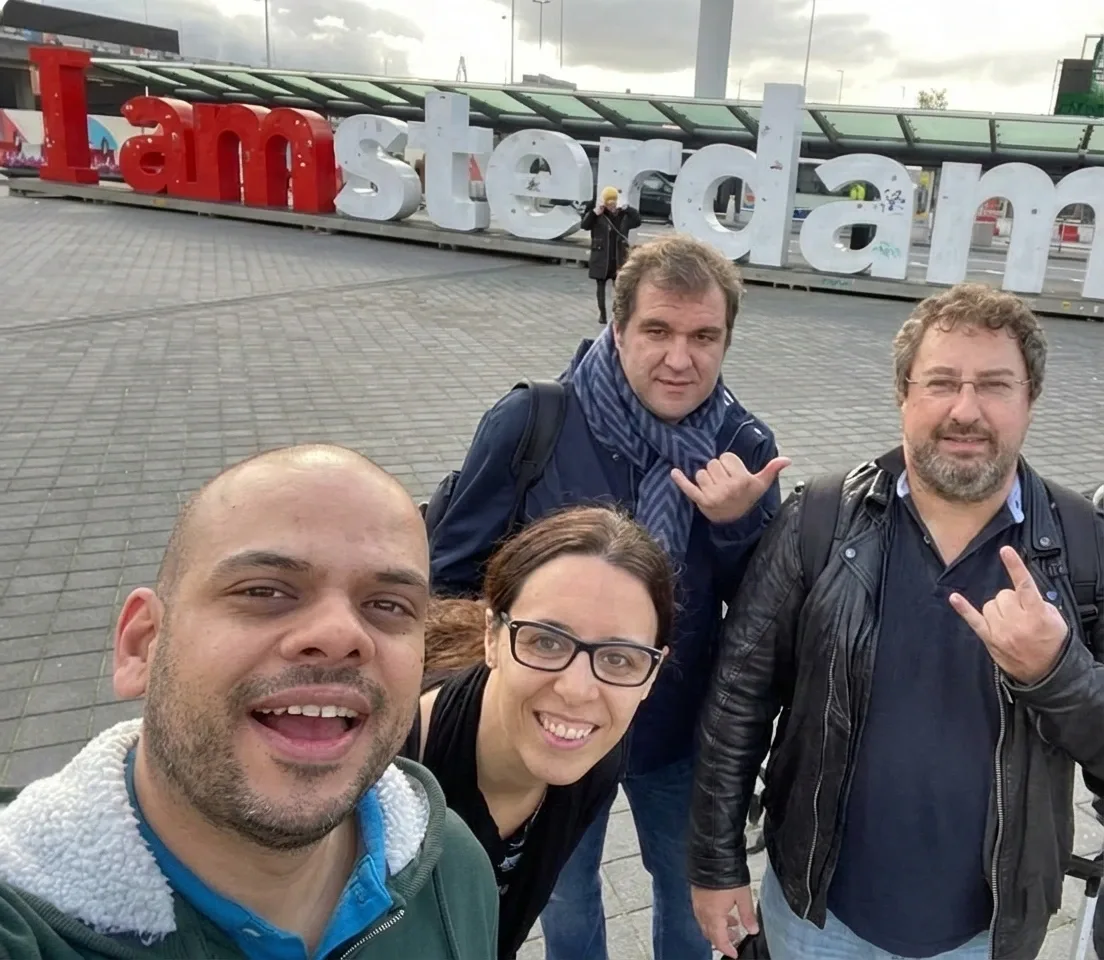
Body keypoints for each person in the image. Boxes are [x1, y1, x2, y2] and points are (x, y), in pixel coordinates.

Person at [688, 284, 1104, 960]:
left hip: (986, 934)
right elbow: (738, 702)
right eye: (941, 382)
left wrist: (1056, 674)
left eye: (995, 385)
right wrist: (714, 865)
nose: (966, 410)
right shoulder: (817, 521)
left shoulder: (1084, 546)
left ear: (1030, 399)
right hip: (816, 921)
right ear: (903, 394)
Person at [430, 234, 788, 960]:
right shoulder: (537, 421)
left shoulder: (744, 447)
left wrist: (736, 527)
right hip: (552, 721)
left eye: (703, 337)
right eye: (657, 330)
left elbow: (764, 618)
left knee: (688, 901)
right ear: (618, 327)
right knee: (563, 891)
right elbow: (450, 576)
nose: (679, 358)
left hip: (676, 734)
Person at [0, 444, 499, 960]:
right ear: (141, 646)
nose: (340, 633)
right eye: (265, 591)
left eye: (388, 605)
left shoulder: (450, 869)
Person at [401, 505, 673, 958]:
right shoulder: (391, 766)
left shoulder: (596, 758)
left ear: (651, 674)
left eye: (619, 657)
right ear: (493, 637)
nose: (578, 690)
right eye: (546, 641)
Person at [580, 186, 641, 325]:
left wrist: (627, 209)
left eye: (613, 201)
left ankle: (616, 313)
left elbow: (637, 220)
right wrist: (594, 213)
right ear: (604, 202)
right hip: (602, 257)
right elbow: (585, 225)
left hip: (618, 256)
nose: (611, 205)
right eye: (609, 202)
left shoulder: (623, 216)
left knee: (619, 288)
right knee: (600, 286)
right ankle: (602, 314)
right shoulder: (598, 216)